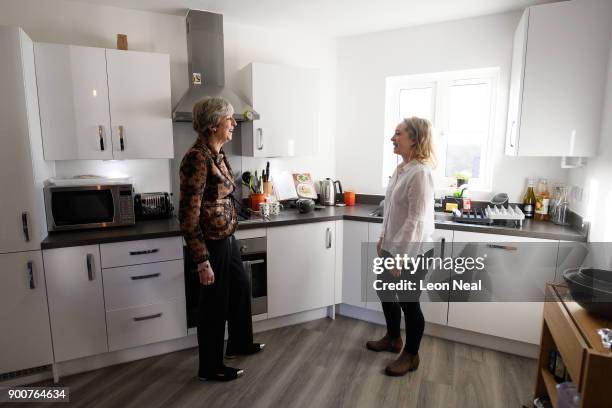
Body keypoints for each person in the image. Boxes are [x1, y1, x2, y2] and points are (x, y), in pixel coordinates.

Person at [179, 97, 264, 382]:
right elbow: (188, 216)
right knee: (214, 304)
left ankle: (239, 342)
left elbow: (223, 194)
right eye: (229, 119)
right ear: (214, 123)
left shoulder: (217, 153)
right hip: (211, 241)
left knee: (240, 289)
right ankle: (210, 366)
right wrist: (202, 260)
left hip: (227, 235)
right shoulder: (197, 158)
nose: (234, 124)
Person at [366, 116, 436, 377]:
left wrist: (401, 257)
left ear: (414, 139)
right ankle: (393, 338)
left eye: (398, 134)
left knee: (409, 302)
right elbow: (391, 210)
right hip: (393, 245)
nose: (392, 138)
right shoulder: (401, 170)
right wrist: (383, 237)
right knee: (384, 290)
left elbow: (416, 220)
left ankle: (411, 354)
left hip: (413, 251)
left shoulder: (420, 174)